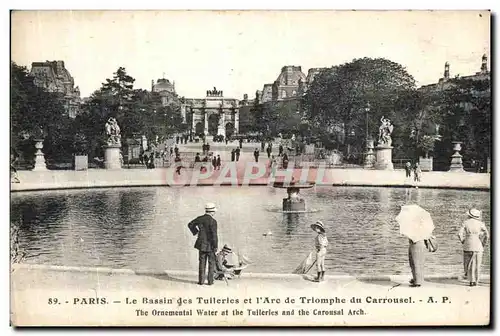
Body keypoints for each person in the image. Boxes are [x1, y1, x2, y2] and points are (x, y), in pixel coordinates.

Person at [188, 203, 219, 286]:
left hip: (201, 245)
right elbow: (214, 236)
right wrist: (215, 247)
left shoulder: (200, 218)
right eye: (214, 212)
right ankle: (210, 281)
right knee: (211, 263)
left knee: (202, 263)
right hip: (210, 246)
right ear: (212, 212)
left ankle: (201, 281)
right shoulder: (213, 221)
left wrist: (196, 232)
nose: (214, 213)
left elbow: (190, 224)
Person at [458, 208, 489, 286]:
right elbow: (487, 235)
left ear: (469, 215)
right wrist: (483, 243)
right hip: (478, 244)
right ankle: (476, 281)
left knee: (468, 263)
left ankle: (471, 280)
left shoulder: (465, 223)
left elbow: (459, 234)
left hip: (468, 244)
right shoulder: (481, 224)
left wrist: (463, 241)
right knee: (477, 264)